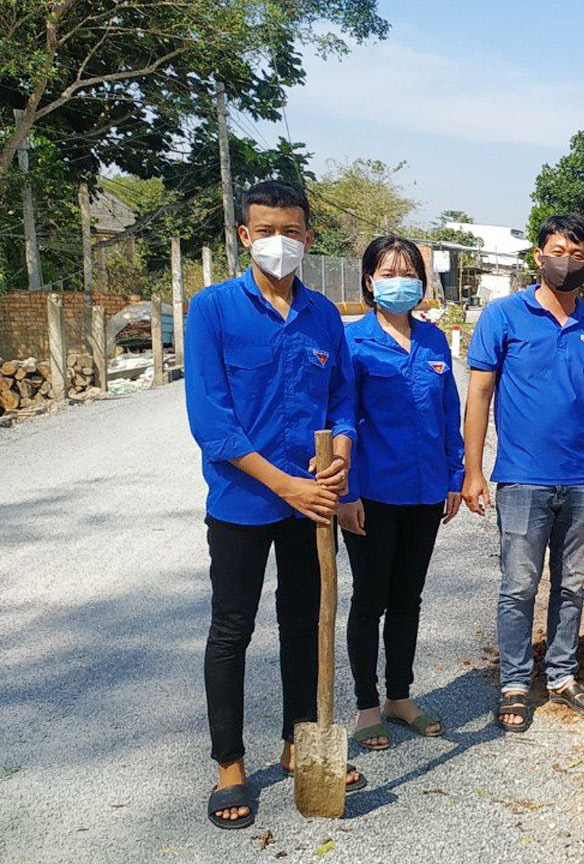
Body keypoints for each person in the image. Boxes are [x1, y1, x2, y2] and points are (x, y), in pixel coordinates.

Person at [184, 180, 364, 830]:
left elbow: (342, 395)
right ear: (243, 236)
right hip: (242, 502)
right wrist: (284, 484)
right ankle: (230, 765)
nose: (278, 242)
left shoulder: (323, 317)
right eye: (265, 231)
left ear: (309, 237)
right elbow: (212, 422)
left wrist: (340, 448)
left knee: (305, 624)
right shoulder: (211, 310)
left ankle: (298, 743)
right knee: (232, 629)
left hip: (310, 504)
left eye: (290, 230)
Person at [461, 213, 584, 732]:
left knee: (571, 587)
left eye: (577, 255)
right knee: (518, 586)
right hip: (521, 479)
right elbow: (478, 393)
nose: (566, 261)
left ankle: (561, 674)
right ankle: (515, 684)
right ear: (539, 256)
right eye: (558, 250)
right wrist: (473, 471)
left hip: (583, 479)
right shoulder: (503, 317)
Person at [336, 235, 464, 751]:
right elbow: (341, 416)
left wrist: (455, 477)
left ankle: (399, 696)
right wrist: (347, 490)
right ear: (369, 281)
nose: (400, 281)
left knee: (408, 597)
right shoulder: (354, 342)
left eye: (409, 271)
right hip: (373, 493)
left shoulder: (433, 342)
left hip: (425, 492)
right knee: (370, 599)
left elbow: (447, 413)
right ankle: (367, 707)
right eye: (388, 272)